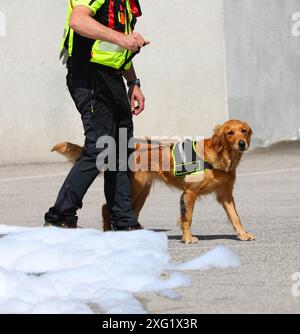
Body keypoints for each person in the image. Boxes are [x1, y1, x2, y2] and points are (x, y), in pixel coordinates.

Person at [44, 0, 149, 230]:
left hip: (112, 78)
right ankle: (60, 216)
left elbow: (118, 48)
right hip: (87, 75)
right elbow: (78, 20)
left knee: (121, 149)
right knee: (100, 146)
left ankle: (123, 221)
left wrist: (133, 82)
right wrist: (123, 39)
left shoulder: (124, 3)